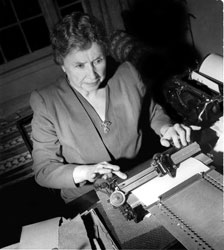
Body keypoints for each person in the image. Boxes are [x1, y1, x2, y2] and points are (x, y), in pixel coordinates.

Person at [30, 11, 194, 204]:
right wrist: (85, 172)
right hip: (89, 197)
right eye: (79, 66)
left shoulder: (129, 74)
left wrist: (166, 128)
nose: (92, 75)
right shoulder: (46, 101)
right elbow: (43, 169)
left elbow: (153, 112)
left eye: (98, 61)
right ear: (62, 65)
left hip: (140, 176)